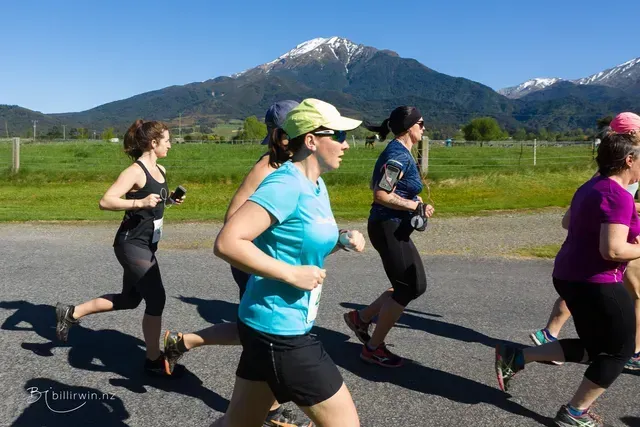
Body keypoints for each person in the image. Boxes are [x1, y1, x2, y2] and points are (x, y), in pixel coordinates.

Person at [211, 98, 365, 427]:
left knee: (237, 423)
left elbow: (297, 242)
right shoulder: (284, 184)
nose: (346, 144)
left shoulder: (316, 184)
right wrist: (291, 274)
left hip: (268, 326)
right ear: (311, 140)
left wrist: (341, 240)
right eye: (338, 135)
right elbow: (227, 242)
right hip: (280, 331)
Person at [163, 101, 314, 426]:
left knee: (256, 333)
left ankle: (183, 341)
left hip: (274, 263)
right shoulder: (267, 168)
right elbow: (233, 219)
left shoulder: (296, 167)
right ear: (286, 134)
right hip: (255, 263)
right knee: (267, 335)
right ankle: (270, 410)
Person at [495, 129, 639, 426]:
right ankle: (574, 413)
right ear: (628, 160)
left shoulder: (591, 186)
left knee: (595, 346)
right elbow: (612, 249)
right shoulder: (618, 195)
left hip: (569, 276)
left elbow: (572, 222)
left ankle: (517, 356)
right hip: (598, 282)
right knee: (618, 352)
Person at [55, 119, 185, 376]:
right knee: (157, 298)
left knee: (129, 299)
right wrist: (138, 204)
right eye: (167, 140)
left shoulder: (162, 169)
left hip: (147, 243)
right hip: (131, 244)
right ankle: (152, 360)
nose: (171, 145)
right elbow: (106, 201)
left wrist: (169, 200)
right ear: (153, 142)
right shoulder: (135, 172)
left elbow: (153, 202)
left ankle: (70, 312)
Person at [529, 112, 640, 372]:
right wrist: (628, 210)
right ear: (632, 136)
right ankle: (631, 351)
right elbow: (591, 215)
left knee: (590, 291)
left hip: (596, 251)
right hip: (618, 244)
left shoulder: (604, 171)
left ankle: (545, 339)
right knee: (625, 296)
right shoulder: (627, 165)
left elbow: (571, 218)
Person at [343, 106, 434, 368]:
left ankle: (361, 318)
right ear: (408, 127)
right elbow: (382, 194)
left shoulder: (402, 153)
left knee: (412, 285)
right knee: (409, 287)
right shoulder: (398, 156)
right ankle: (372, 348)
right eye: (421, 122)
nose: (424, 128)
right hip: (387, 226)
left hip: (393, 225)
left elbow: (397, 190)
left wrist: (417, 203)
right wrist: (412, 206)